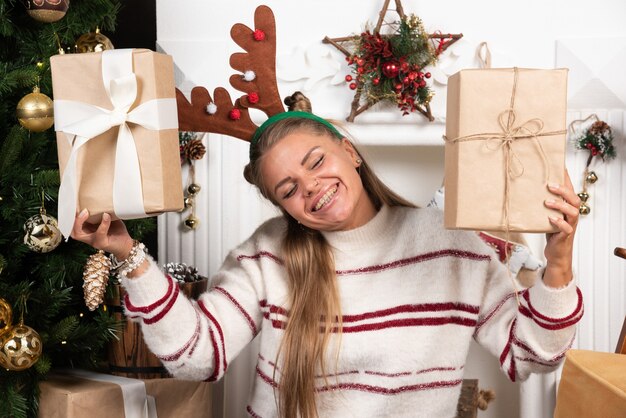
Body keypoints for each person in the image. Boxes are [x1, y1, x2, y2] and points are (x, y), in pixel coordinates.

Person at [71, 92, 583, 418]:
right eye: (289, 188)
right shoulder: (266, 255)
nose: (311, 187)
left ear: (350, 151)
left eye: (317, 161)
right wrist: (127, 253)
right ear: (284, 209)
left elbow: (532, 355)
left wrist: (557, 261)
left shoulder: (452, 246)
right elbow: (198, 358)